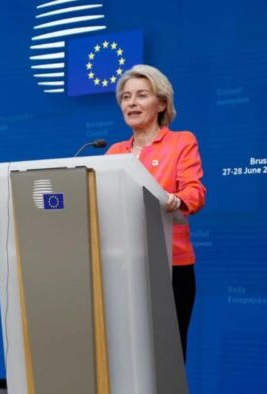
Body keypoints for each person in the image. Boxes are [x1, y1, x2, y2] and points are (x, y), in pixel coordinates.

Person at [105, 64, 206, 358]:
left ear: (161, 103)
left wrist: (176, 199)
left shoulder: (181, 142)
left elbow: (195, 192)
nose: (131, 103)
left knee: (167, 353)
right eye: (125, 97)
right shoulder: (114, 153)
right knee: (127, 352)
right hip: (123, 264)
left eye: (141, 95)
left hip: (171, 263)